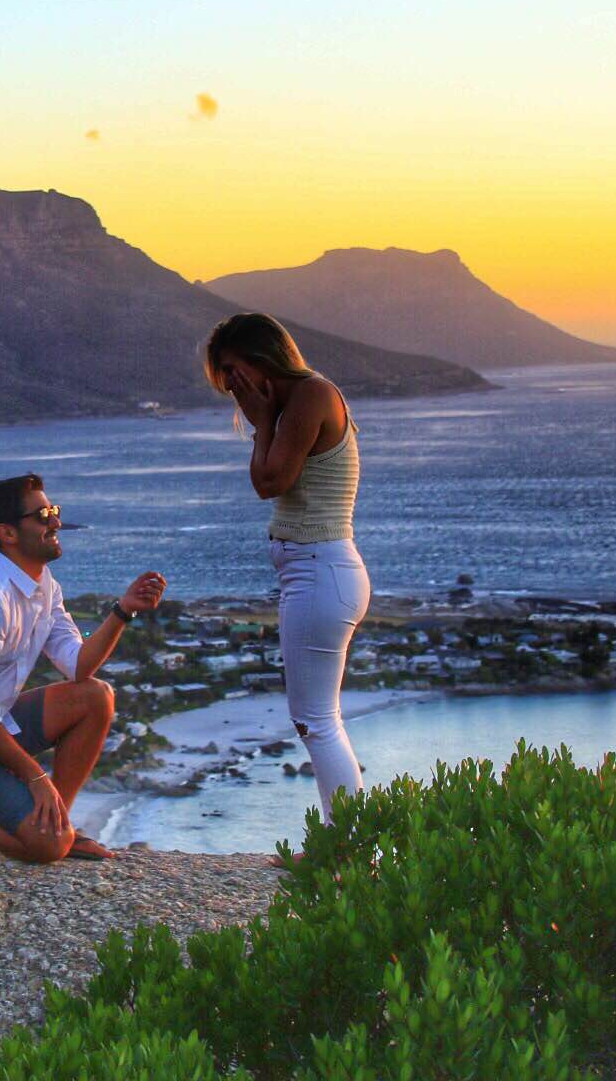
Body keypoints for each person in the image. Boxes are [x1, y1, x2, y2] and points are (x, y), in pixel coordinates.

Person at [0, 474, 166, 863]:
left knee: (96, 697)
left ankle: (61, 820)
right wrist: (36, 778)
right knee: (48, 847)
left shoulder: (43, 586)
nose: (55, 522)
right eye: (43, 515)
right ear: (7, 533)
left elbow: (78, 666)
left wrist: (123, 610)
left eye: (54, 511)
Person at [204, 312, 371, 852]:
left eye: (233, 370)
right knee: (317, 720)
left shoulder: (311, 396)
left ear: (262, 356)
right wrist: (263, 419)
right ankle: (342, 842)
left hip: (321, 571)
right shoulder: (291, 403)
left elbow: (271, 481)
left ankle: (347, 850)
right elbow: (268, 480)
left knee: (317, 721)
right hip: (316, 571)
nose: (233, 384)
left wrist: (260, 421)